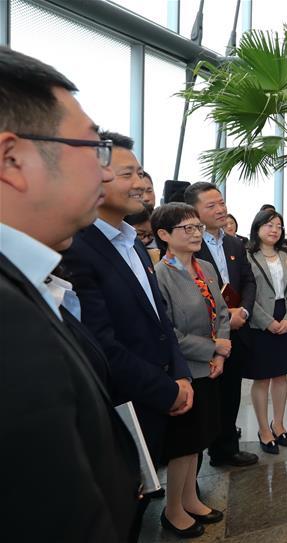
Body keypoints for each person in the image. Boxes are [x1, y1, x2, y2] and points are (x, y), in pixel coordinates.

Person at [0, 47, 141, 541]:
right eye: (93, 148)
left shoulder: (31, 283)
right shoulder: (8, 323)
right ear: (13, 160)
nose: (106, 173)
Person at [60, 130, 193, 539]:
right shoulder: (77, 249)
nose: (140, 183)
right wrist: (165, 389)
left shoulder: (133, 243)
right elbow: (98, 342)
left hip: (159, 392)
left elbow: (159, 319)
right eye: (127, 173)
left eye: (140, 172)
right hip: (123, 404)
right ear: (93, 178)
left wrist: (181, 372)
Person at [152, 203, 230, 538]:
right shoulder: (160, 275)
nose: (197, 233)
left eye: (198, 226)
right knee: (182, 444)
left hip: (211, 367)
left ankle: (190, 499)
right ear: (164, 235)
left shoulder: (206, 268)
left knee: (197, 439)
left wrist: (221, 352)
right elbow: (167, 332)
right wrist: (212, 348)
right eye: (187, 228)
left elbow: (223, 312)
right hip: (184, 370)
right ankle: (172, 511)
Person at [184, 182, 259, 468]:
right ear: (194, 211)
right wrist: (227, 316)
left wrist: (245, 312)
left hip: (237, 331)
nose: (221, 209)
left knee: (230, 394)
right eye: (211, 205)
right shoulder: (189, 246)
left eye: (222, 203)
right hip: (206, 337)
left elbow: (249, 281)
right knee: (205, 401)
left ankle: (226, 449)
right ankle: (193, 468)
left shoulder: (233, 242)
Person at [245, 208, 287, 453]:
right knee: (262, 377)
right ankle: (263, 428)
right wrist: (266, 321)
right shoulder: (247, 256)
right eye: (269, 225)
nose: (274, 230)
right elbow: (246, 294)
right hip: (260, 320)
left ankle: (278, 423)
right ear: (258, 227)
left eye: (278, 226)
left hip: (285, 316)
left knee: (281, 375)